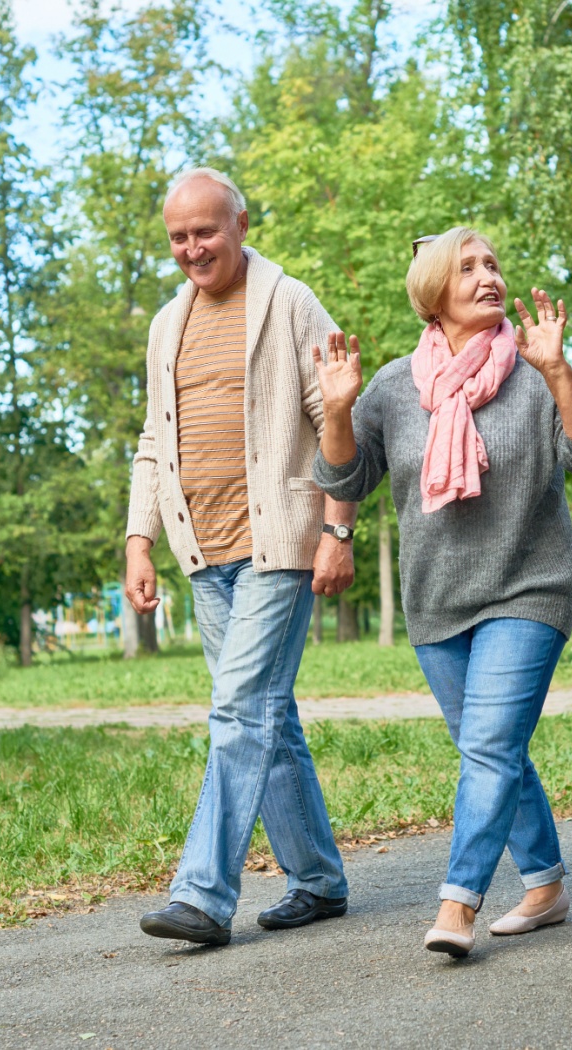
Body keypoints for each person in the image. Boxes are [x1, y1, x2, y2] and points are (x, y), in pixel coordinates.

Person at [312, 227, 572, 957]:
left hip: (529, 587)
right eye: (469, 267)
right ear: (433, 293)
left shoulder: (535, 367)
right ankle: (545, 885)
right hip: (437, 599)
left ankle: (458, 903)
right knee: (493, 748)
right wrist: (340, 412)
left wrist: (561, 373)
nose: (489, 276)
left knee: (487, 746)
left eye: (495, 264)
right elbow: (346, 482)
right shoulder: (391, 386)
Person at [127, 167, 359, 947]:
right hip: (205, 553)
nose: (193, 248)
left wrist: (338, 529)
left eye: (205, 231)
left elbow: (337, 414)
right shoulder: (167, 324)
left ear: (241, 223)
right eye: (178, 237)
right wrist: (140, 540)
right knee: (269, 717)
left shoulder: (289, 302)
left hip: (278, 545)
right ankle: (319, 880)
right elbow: (154, 444)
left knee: (238, 711)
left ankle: (202, 894)